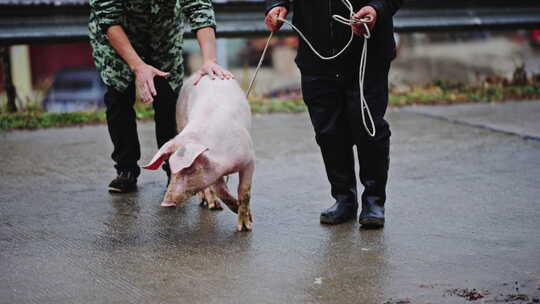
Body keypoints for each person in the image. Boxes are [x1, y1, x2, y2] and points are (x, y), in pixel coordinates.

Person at [265, 0, 402, 227]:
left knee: (368, 127)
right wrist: (276, 5)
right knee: (328, 130)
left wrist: (377, 8)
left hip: (367, 50)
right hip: (315, 52)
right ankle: (344, 199)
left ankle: (374, 201)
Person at [89, 0, 233, 193]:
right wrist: (138, 66)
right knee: (119, 97)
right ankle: (126, 169)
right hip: (117, 38)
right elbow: (108, 18)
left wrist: (208, 60)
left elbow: (199, 6)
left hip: (163, 35)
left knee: (169, 100)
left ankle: (175, 170)